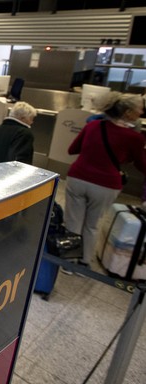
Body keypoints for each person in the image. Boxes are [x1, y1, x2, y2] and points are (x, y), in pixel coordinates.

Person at [64, 92, 146, 268]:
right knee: (92, 225)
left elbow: (72, 149)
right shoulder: (135, 138)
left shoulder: (92, 126)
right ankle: (84, 262)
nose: (141, 112)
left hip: (78, 178)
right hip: (106, 185)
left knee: (73, 221)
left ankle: (68, 263)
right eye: (139, 109)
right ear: (127, 113)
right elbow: (141, 164)